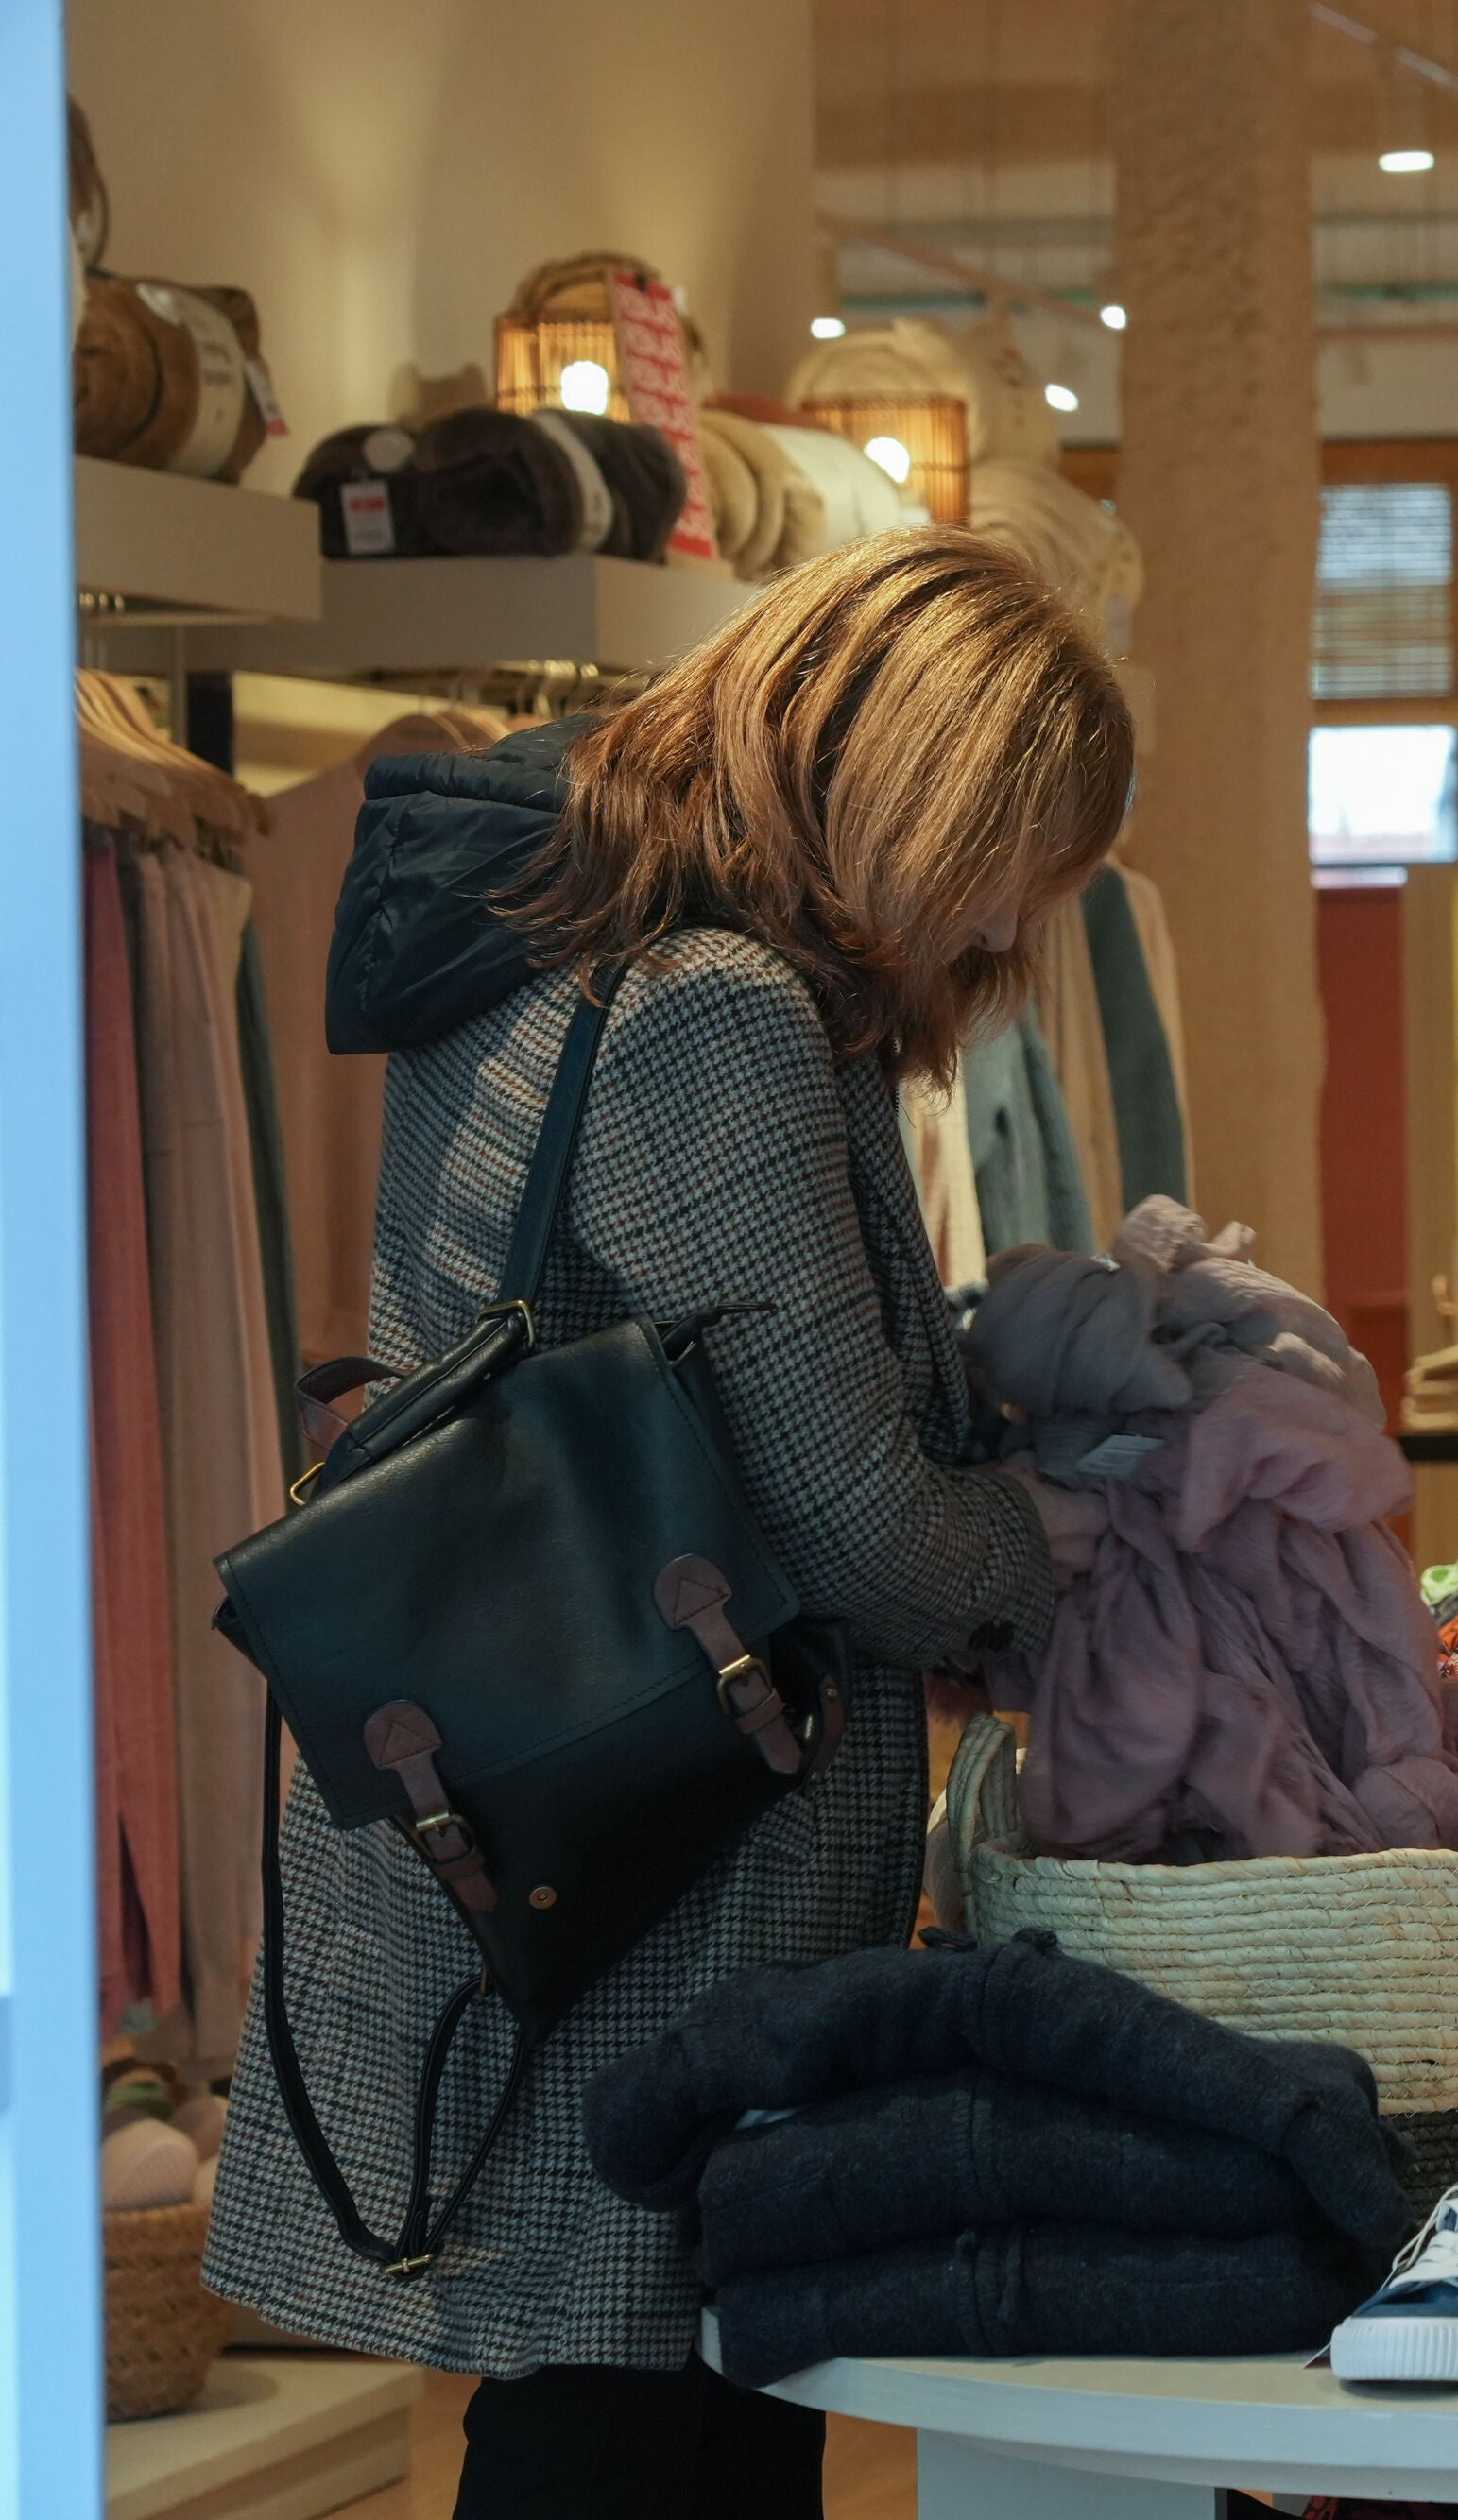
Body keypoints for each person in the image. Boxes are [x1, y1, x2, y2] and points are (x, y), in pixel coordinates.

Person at [203, 531, 1131, 2519]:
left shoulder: (548, 930)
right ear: (918, 785)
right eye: (1007, 859)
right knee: (641, 2418)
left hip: (548, 1768)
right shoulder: (712, 1005)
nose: (999, 920)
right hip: (674, 1838)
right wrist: (1070, 1540)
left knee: (617, 2405)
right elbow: (859, 1520)